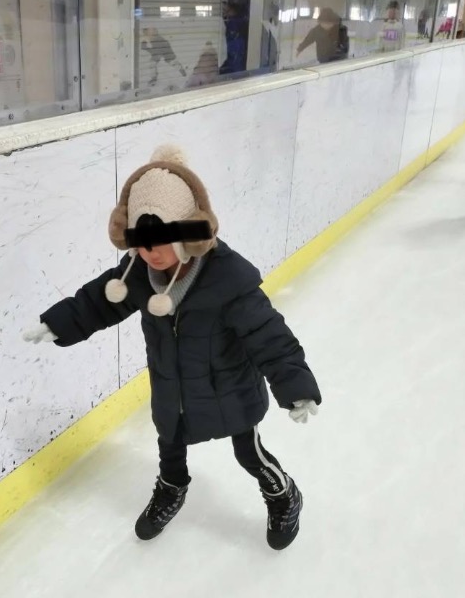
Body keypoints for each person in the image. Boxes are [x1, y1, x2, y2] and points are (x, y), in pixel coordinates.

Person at [22, 145, 322, 549]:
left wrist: (296, 387)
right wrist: (58, 322)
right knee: (170, 444)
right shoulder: (141, 274)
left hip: (230, 387)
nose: (151, 252)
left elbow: (271, 336)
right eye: (141, 242)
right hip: (172, 387)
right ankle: (171, 487)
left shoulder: (228, 281)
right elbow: (99, 300)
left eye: (161, 240)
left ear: (187, 234)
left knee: (248, 452)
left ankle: (282, 491)